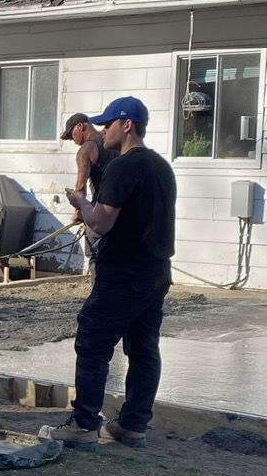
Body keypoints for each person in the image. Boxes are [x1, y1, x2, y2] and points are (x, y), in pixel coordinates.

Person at [41, 96, 177, 451]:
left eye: (108, 124)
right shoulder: (162, 167)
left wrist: (82, 204)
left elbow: (101, 222)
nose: (103, 131)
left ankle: (84, 425)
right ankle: (132, 426)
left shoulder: (122, 166)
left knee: (92, 340)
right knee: (144, 348)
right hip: (157, 271)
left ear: (127, 125)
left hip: (124, 272)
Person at [62, 111, 119, 273]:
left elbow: (80, 189)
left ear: (81, 126)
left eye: (71, 134)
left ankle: (100, 297)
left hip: (99, 211)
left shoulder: (86, 150)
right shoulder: (114, 141)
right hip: (122, 211)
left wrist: (78, 212)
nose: (72, 140)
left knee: (96, 257)